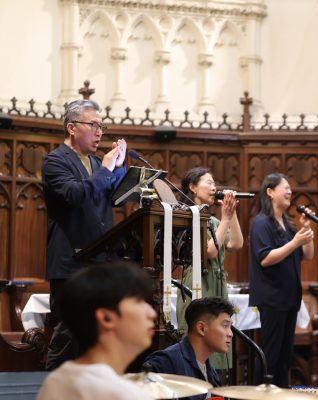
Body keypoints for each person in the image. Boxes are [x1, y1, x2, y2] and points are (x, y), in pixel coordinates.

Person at [42, 99, 127, 370]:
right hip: (71, 263)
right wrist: (107, 169)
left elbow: (115, 197)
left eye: (102, 126)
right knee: (68, 337)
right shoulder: (55, 161)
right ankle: (53, 388)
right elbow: (75, 194)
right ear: (72, 128)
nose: (99, 132)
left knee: (97, 339)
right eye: (93, 125)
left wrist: (120, 167)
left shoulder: (96, 162)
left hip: (100, 262)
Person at [36, 262, 156, 400]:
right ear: (106, 318)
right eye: (139, 301)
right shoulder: (121, 394)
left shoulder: (56, 380)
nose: (152, 313)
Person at [248, 173, 314, 387]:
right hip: (272, 297)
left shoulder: (287, 222)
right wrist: (295, 242)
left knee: (285, 356)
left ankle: (281, 392)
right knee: (270, 354)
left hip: (289, 297)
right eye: (285, 187)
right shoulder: (261, 222)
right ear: (270, 192)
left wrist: (306, 229)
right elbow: (265, 258)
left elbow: (307, 255)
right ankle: (261, 394)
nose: (290, 192)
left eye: (290, 188)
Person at [176, 167, 243, 370]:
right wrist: (226, 219)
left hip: (217, 283)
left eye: (215, 183)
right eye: (209, 182)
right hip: (198, 283)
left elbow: (236, 243)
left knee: (217, 338)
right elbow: (209, 252)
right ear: (193, 187)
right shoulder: (185, 216)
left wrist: (232, 213)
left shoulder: (214, 221)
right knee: (200, 338)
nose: (214, 187)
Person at [143, 297, 234, 400]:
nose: (230, 334)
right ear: (201, 328)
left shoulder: (211, 371)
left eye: (230, 327)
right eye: (225, 326)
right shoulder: (166, 362)